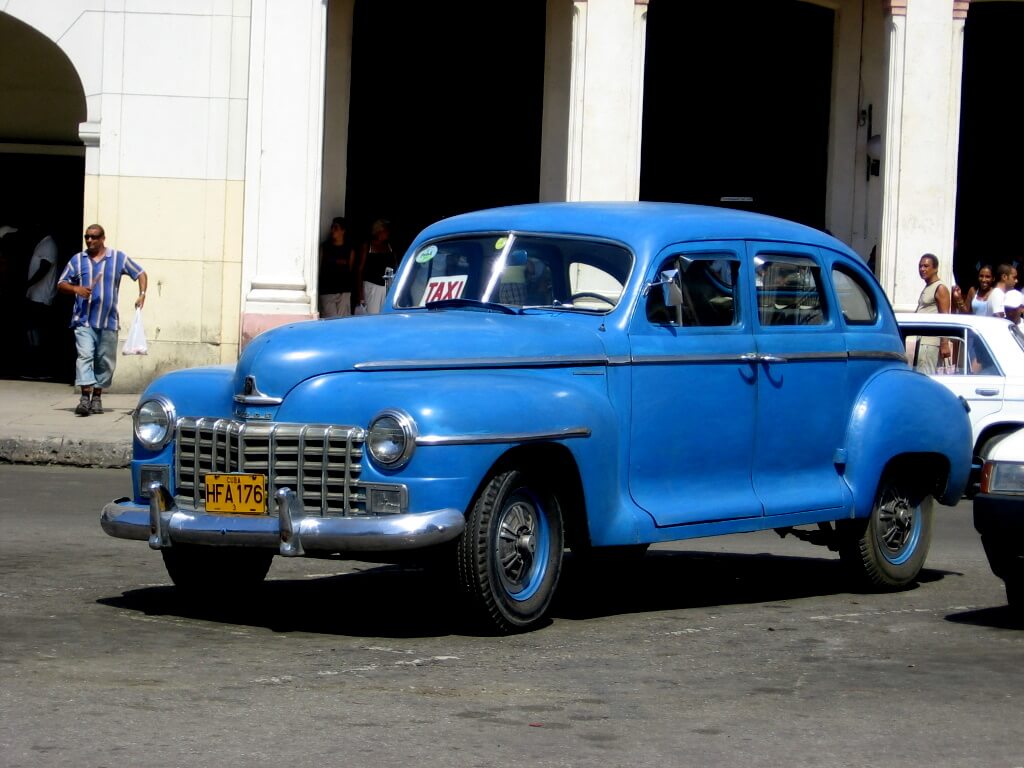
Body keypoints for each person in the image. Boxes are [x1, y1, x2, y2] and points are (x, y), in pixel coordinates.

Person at [57, 225, 147, 416]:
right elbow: (61, 283)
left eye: (94, 237)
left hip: (108, 321)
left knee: (105, 361)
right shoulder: (78, 260)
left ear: (103, 238)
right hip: (83, 320)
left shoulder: (117, 258)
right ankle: (84, 397)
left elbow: (140, 273)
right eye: (87, 237)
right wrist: (76, 289)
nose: (90, 241)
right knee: (85, 356)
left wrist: (142, 295)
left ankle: (97, 397)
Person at [24, 232, 60, 377]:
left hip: (42, 295)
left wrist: (28, 284)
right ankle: (35, 368)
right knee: (32, 331)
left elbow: (44, 267)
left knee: (39, 332)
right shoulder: (43, 243)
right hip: (35, 295)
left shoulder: (49, 244)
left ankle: (42, 369)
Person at [914, 253, 951, 374]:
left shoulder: (939, 288)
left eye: (926, 266)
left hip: (930, 342)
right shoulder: (928, 287)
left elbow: (944, 317)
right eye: (920, 266)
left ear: (935, 268)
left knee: (925, 375)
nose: (922, 269)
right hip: (921, 340)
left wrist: (944, 343)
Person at [357, 218, 397, 314]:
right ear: (379, 231)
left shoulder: (389, 246)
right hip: (372, 287)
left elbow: (396, 266)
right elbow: (359, 270)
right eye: (385, 230)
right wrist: (360, 295)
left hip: (387, 287)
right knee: (372, 316)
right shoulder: (368, 246)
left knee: (386, 316)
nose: (388, 233)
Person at [318, 216, 355, 318]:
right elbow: (320, 269)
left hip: (344, 290)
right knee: (330, 321)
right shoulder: (325, 247)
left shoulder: (349, 249)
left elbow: (350, 270)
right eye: (332, 227)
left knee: (343, 322)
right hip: (327, 291)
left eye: (336, 228)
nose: (332, 230)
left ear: (343, 231)